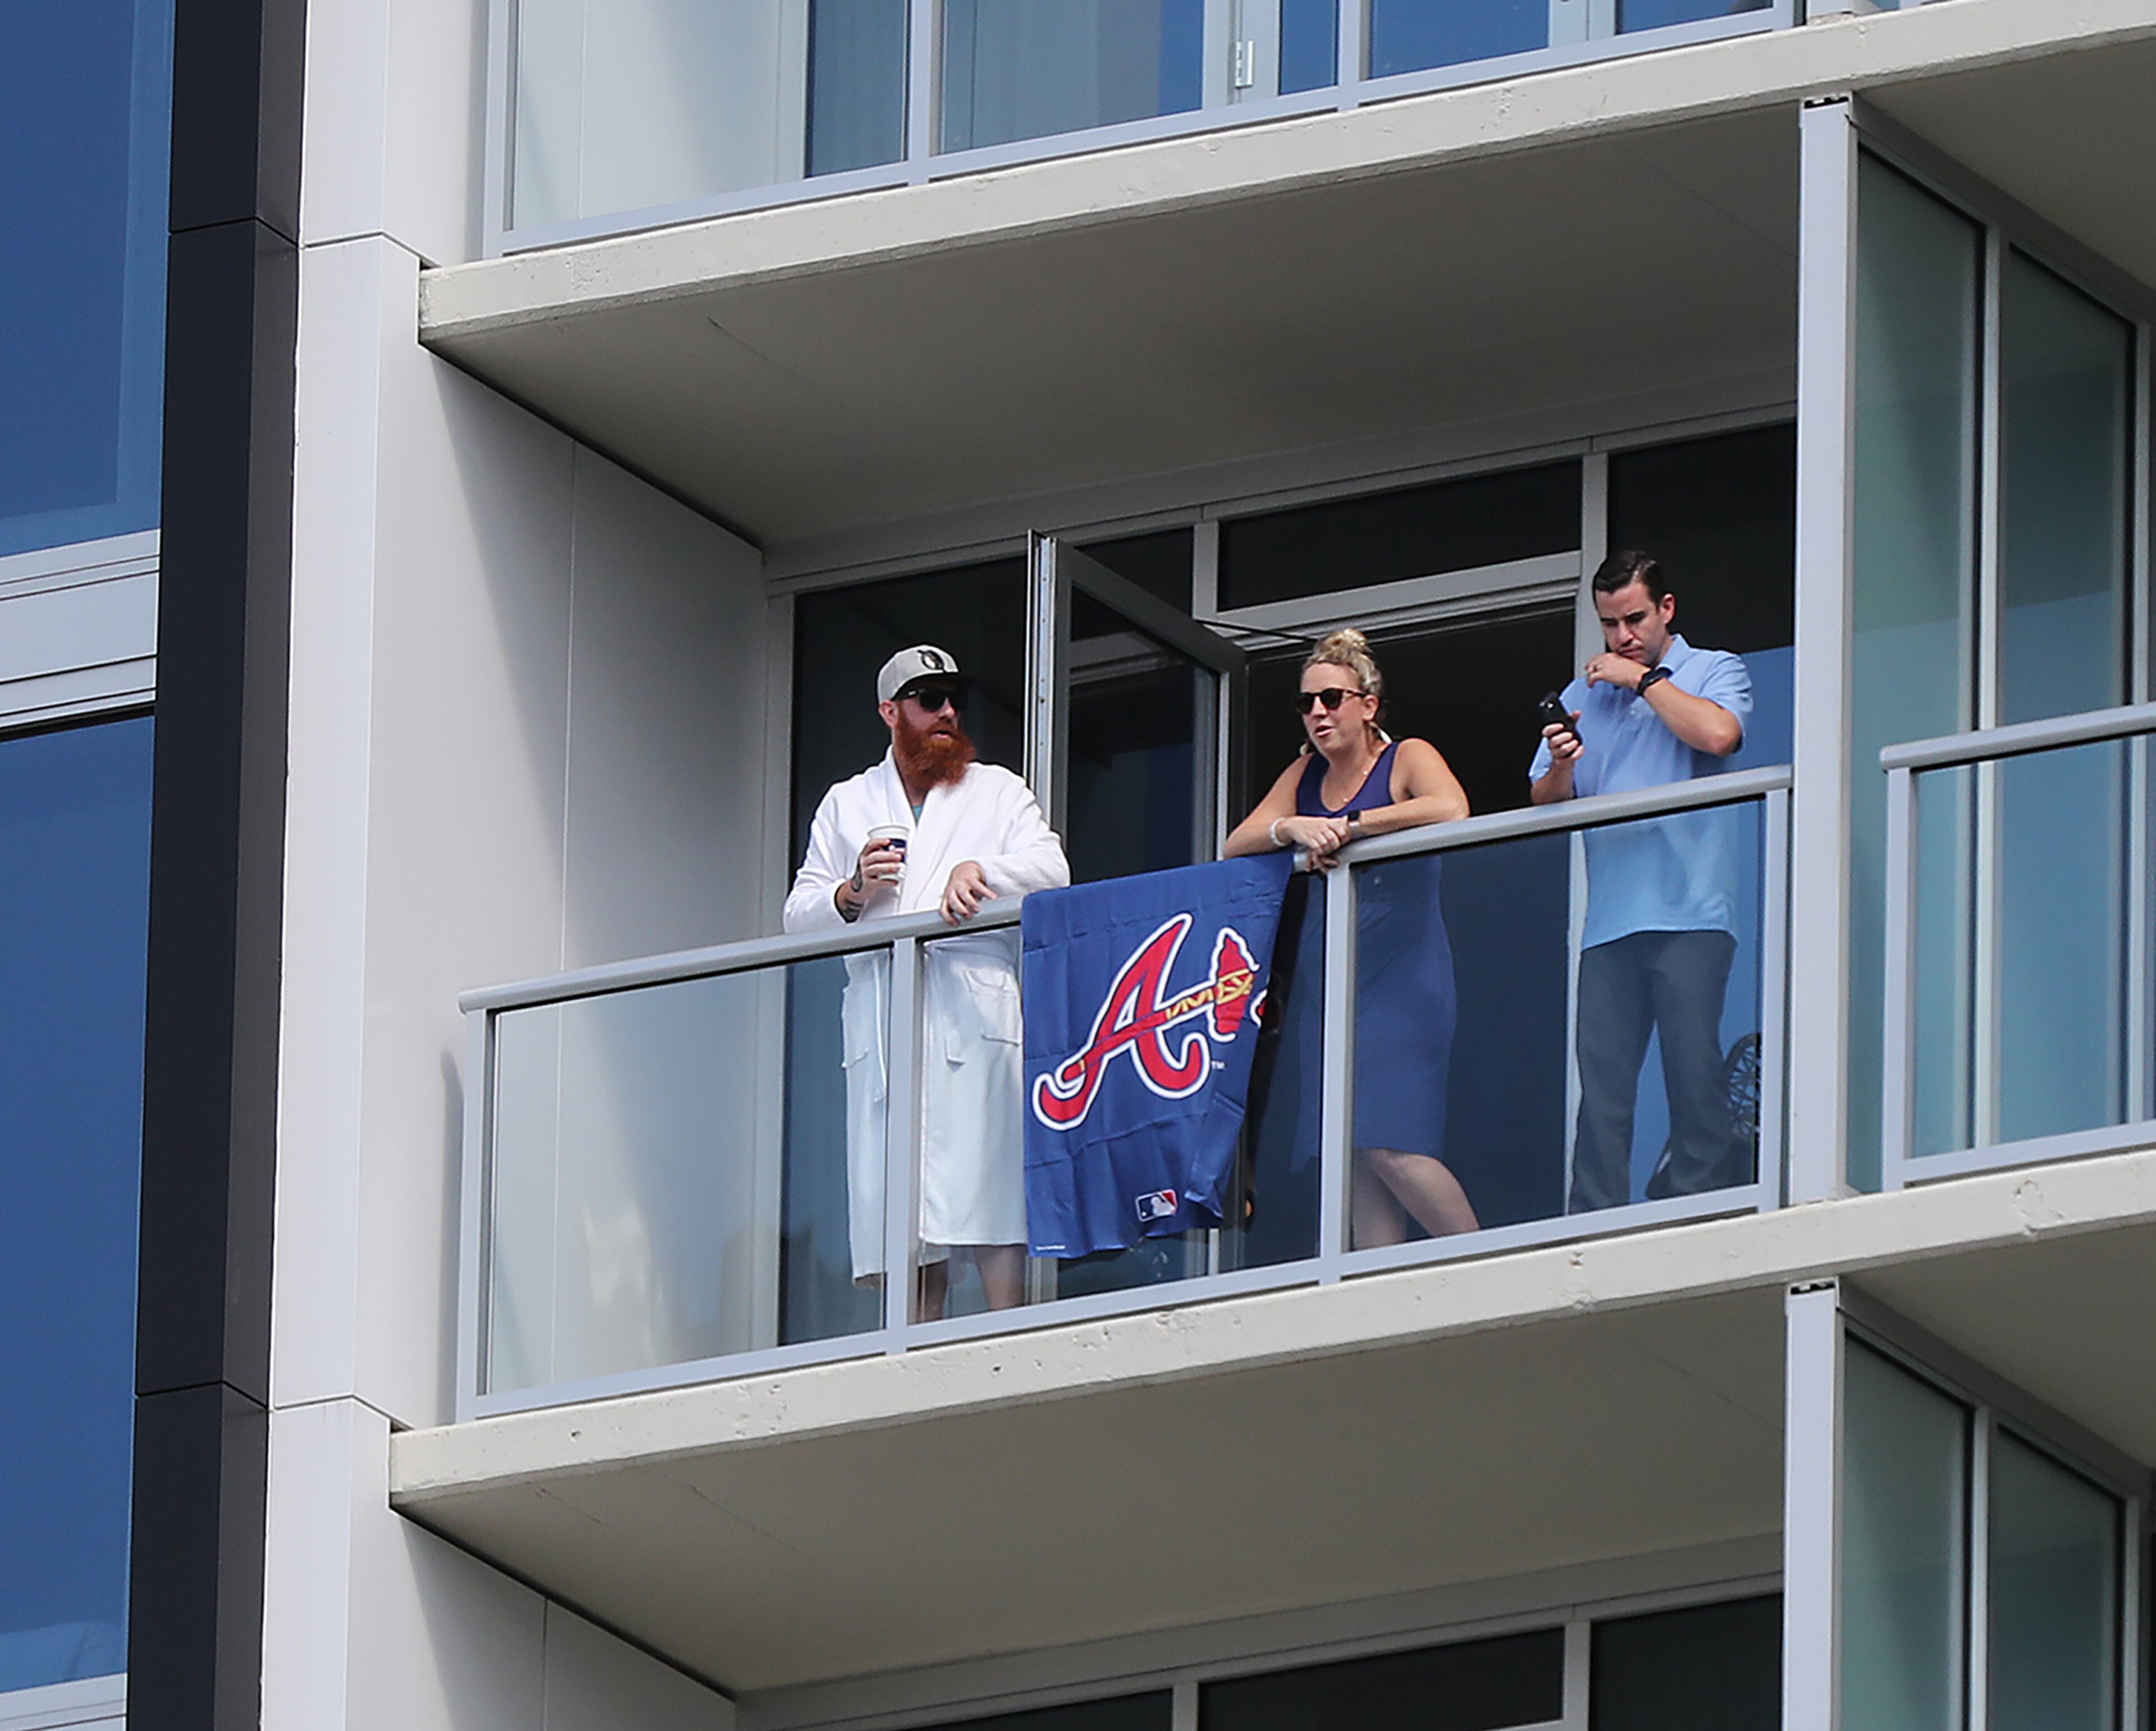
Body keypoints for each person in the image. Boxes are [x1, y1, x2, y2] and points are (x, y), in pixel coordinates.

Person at [784, 645, 1070, 1318]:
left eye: (952, 699)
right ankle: (912, 1355)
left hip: (972, 1015)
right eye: (927, 699)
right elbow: (797, 917)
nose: (946, 712)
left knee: (991, 1197)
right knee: (903, 1217)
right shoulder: (848, 801)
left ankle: (1008, 1341)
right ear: (890, 712)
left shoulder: (996, 789)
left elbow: (1052, 869)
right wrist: (853, 890)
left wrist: (984, 872)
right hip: (886, 1026)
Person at [1224, 628, 1480, 1246]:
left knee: (1392, 1142)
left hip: (1402, 981)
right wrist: (1293, 826)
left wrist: (1351, 826)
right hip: (1334, 981)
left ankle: (1485, 1262)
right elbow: (1237, 842)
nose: (1318, 712)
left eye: (1332, 698)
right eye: (1307, 702)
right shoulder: (1305, 772)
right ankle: (1383, 1292)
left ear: (1368, 704)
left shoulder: (1405, 756)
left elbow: (1451, 808)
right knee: (1352, 1151)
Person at [1531, 550, 1752, 1213]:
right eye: (1609, 624)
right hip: (1609, 923)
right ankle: (1592, 1219)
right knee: (1602, 1089)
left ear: (1666, 610)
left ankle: (1700, 1202)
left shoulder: (1714, 667)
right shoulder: (1581, 696)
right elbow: (1543, 801)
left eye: (1634, 618)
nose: (1622, 635)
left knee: (1692, 1070)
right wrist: (1564, 768)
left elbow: (1720, 734)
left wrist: (1642, 679)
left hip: (1693, 911)